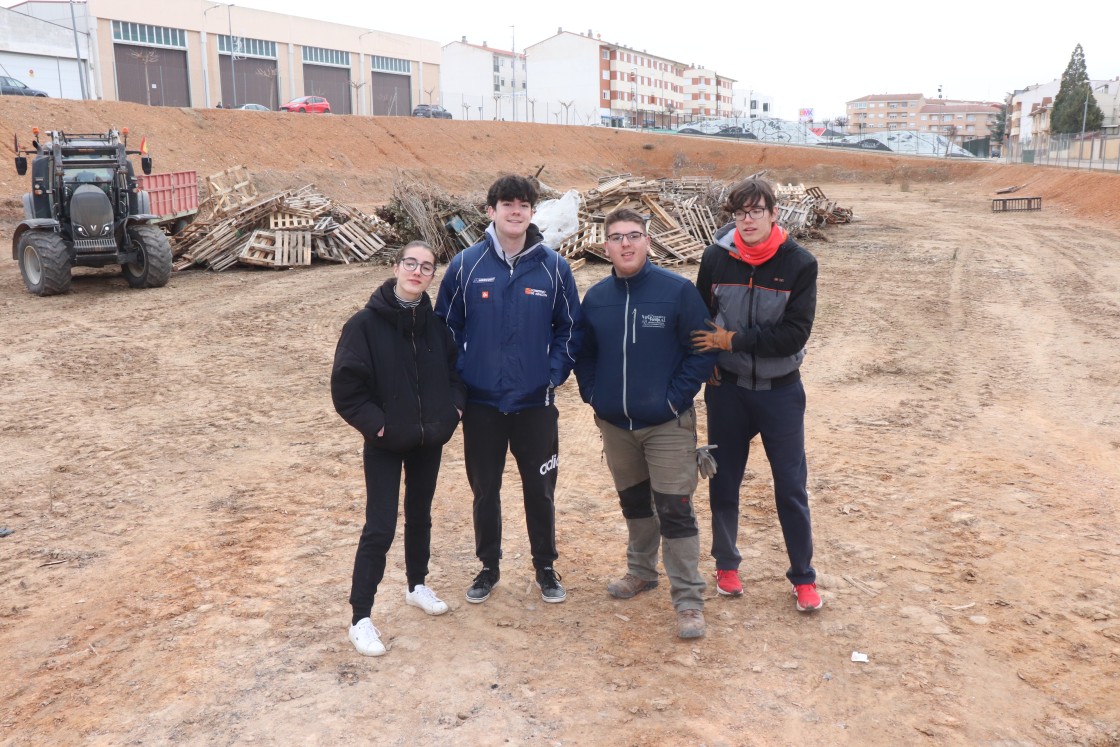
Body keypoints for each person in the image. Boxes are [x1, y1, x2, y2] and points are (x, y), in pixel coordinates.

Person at [435, 175, 581, 605]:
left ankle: (545, 567)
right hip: (482, 405)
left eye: (524, 205)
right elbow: (446, 328)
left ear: (532, 213)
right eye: (507, 204)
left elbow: (570, 330)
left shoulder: (554, 267)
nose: (516, 211)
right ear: (490, 211)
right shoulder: (466, 266)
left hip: (535, 405)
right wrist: (462, 378)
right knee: (485, 490)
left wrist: (551, 375)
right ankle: (488, 567)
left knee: (540, 489)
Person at [574, 208, 716, 639]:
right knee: (635, 503)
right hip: (616, 425)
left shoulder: (676, 292)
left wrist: (675, 398)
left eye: (633, 235)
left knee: (675, 510)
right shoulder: (597, 298)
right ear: (605, 247)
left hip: (667, 426)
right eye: (616, 238)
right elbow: (584, 353)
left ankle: (689, 599)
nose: (625, 244)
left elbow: (704, 348)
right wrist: (594, 395)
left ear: (647, 242)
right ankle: (641, 572)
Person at [692, 177, 823, 612]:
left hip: (780, 393)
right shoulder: (716, 259)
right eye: (740, 212)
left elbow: (793, 335)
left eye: (756, 211)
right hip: (727, 392)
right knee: (723, 480)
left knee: (790, 486)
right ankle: (726, 563)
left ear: (773, 214)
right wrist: (709, 362)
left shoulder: (800, 264)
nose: (747, 220)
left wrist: (733, 341)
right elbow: (700, 318)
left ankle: (803, 576)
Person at [331, 241, 467, 656]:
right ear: (395, 267)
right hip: (386, 444)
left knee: (420, 515)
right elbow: (347, 390)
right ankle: (361, 617)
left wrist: (453, 413)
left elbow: (455, 374)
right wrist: (381, 428)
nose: (417, 271)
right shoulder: (364, 326)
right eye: (411, 263)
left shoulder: (437, 326)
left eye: (426, 267)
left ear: (431, 277)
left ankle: (417, 584)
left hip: (429, 440)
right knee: (380, 526)